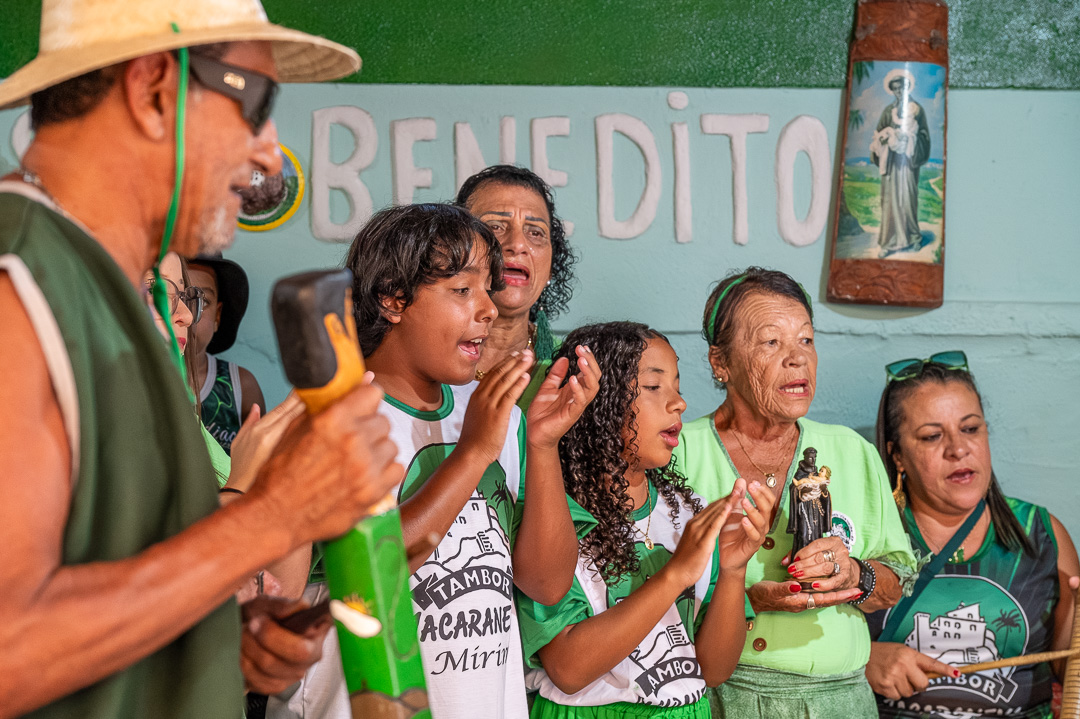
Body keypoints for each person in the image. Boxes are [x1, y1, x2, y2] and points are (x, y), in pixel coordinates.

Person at [0, 3, 401, 716]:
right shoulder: (18, 282)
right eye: (259, 106)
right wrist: (276, 513)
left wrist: (207, 643)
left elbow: (86, 595)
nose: (270, 155)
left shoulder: (111, 295)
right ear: (154, 88)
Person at [341, 202, 600, 717]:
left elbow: (546, 584)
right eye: (462, 290)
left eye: (488, 287)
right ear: (392, 298)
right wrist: (474, 451)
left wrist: (541, 445)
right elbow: (368, 574)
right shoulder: (335, 419)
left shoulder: (492, 413)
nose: (489, 308)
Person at [671, 267, 918, 717]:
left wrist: (854, 575)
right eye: (771, 342)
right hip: (716, 698)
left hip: (840, 703)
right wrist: (748, 601)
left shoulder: (852, 452)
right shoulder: (677, 454)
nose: (797, 358)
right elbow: (644, 599)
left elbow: (894, 583)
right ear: (720, 363)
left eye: (806, 340)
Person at [518, 321, 775, 719]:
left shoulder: (687, 511)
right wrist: (675, 575)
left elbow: (713, 669)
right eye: (654, 387)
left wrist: (733, 570)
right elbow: (568, 670)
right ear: (597, 403)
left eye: (677, 387)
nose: (679, 403)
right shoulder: (553, 521)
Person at [865, 352, 1079, 718]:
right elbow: (798, 657)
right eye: (932, 436)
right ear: (897, 455)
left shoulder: (1042, 533)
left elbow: (1069, 670)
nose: (959, 449)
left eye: (970, 429)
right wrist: (863, 660)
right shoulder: (865, 537)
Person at [456, 164, 576, 406]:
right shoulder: (420, 359)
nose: (517, 244)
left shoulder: (573, 371)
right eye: (495, 227)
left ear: (551, 268)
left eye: (536, 233)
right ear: (454, 247)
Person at [186, 252, 267, 454]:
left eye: (202, 301)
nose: (187, 314)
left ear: (217, 316)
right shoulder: (133, 380)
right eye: (174, 297)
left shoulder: (241, 387)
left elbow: (259, 462)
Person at [869, 70, 931, 257]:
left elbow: (924, 136)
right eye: (895, 89)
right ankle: (889, 243)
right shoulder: (888, 111)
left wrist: (910, 141)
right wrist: (884, 140)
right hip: (891, 163)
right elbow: (878, 134)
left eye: (901, 88)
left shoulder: (917, 110)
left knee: (908, 199)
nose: (898, 92)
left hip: (908, 163)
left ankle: (913, 237)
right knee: (889, 201)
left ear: (907, 88)